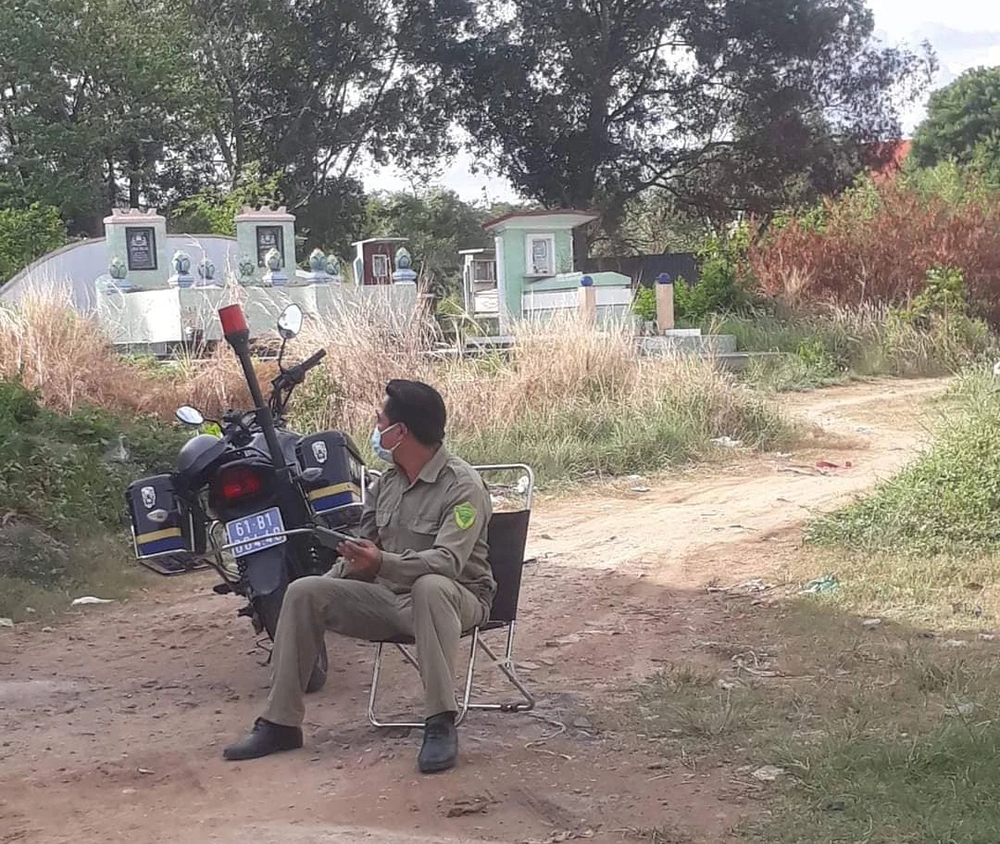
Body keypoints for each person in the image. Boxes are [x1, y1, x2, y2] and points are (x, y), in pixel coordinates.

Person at [223, 379, 495, 774]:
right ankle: (280, 724)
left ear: (401, 431)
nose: (375, 428)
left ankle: (439, 724)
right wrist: (341, 572)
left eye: (380, 421)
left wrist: (382, 563)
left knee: (430, 586)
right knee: (304, 591)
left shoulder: (462, 485)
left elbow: (448, 563)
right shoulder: (386, 484)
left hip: (457, 599)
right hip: (391, 600)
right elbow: (364, 550)